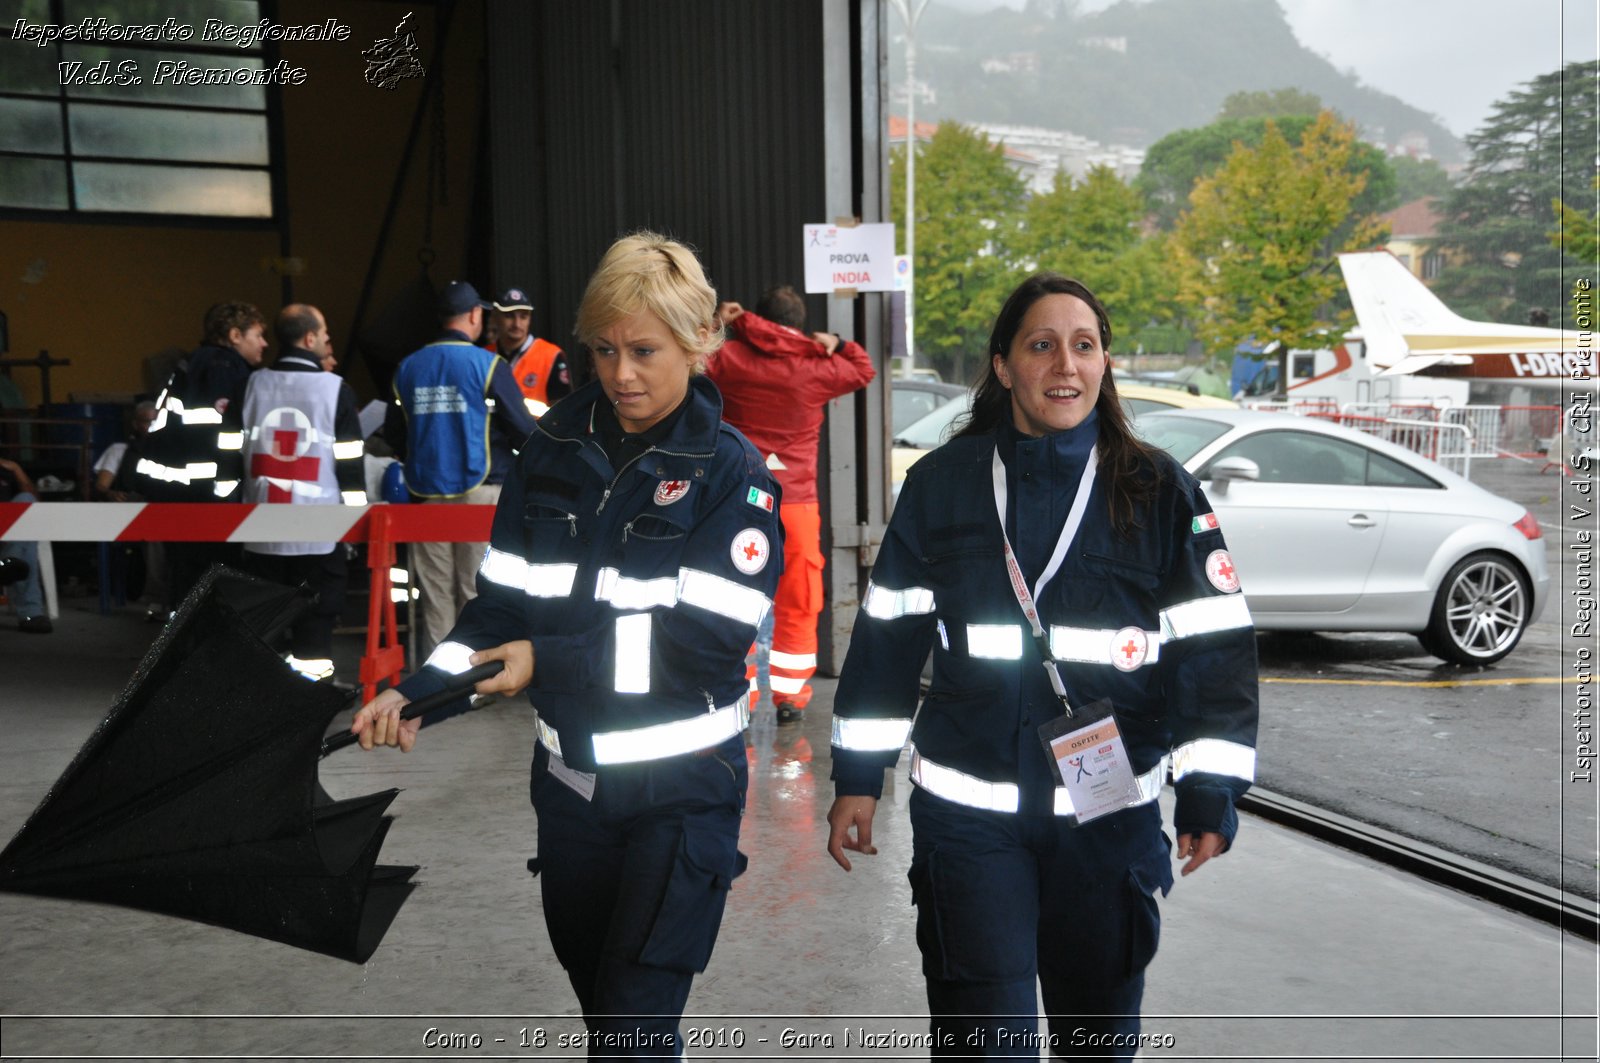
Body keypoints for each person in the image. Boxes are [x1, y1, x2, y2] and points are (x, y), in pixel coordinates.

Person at [352, 232, 783, 1058]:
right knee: (606, 1019)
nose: (622, 374)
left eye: (646, 351)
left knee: (633, 1031)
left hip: (682, 795)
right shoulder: (550, 451)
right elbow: (498, 610)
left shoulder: (735, 476)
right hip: (571, 794)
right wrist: (420, 694)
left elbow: (702, 646)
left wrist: (548, 660)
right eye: (605, 349)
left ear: (697, 345)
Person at [825, 274, 1259, 1058]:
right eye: (1041, 344)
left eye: (1084, 345)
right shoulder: (943, 485)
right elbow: (889, 636)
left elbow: (1214, 649)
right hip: (970, 824)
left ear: (1105, 363)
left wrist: (1210, 787)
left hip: (1108, 824)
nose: (1066, 363)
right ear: (1002, 366)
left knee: (1097, 1043)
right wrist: (858, 773)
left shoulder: (1157, 490)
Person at [706, 285, 875, 722]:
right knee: (799, 597)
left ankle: (737, 695)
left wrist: (723, 322)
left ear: (757, 318)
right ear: (800, 325)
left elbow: (692, 357)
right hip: (797, 501)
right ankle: (790, 697)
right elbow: (862, 368)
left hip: (740, 499)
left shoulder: (732, 360)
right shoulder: (815, 369)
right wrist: (835, 342)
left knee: (731, 593)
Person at [381, 281, 538, 656]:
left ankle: (438, 680)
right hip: (480, 491)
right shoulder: (487, 365)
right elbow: (522, 430)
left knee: (434, 592)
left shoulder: (407, 367)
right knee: (475, 588)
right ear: (473, 315)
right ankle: (472, 678)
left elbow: (394, 434)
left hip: (425, 495)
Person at [237, 304, 367, 681]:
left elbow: (230, 449)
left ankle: (264, 689)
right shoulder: (334, 388)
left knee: (265, 615)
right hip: (319, 527)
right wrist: (353, 522)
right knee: (316, 614)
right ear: (309, 338)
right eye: (325, 333)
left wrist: (230, 510)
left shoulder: (252, 384)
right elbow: (350, 463)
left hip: (259, 525)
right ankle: (312, 689)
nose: (328, 340)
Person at [133, 301, 269, 609]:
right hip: (206, 494)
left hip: (175, 490)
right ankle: (203, 648)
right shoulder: (225, 369)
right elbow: (226, 435)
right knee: (212, 579)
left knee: (186, 577)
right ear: (235, 335)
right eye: (258, 335)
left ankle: (183, 643)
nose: (264, 343)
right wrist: (229, 493)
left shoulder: (190, 365)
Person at [92, 400, 167, 618]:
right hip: (131, 508)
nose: (152, 427)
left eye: (157, 422)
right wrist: (110, 493)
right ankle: (156, 597)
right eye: (147, 422)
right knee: (156, 536)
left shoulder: (171, 451)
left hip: (162, 507)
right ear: (136, 424)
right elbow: (102, 485)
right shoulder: (120, 450)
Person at [487, 286, 573, 415]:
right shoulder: (483, 355)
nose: (517, 324)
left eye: (523, 316)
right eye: (509, 316)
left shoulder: (550, 355)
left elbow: (564, 412)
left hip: (535, 433)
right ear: (495, 316)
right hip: (492, 434)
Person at [0, 456, 51, 633]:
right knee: (24, 546)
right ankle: (31, 613)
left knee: (26, 498)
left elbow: (36, 504)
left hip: (7, 535)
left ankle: (9, 560)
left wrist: (17, 470)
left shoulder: (6, 471)